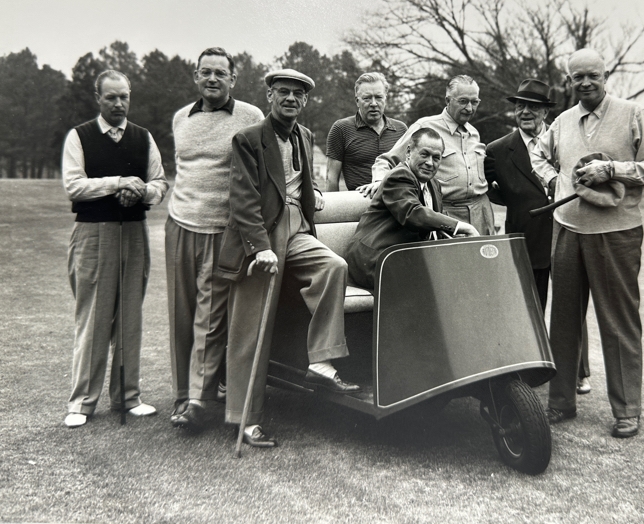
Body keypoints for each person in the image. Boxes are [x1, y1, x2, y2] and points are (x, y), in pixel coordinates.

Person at [216, 68, 360, 449]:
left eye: (298, 94)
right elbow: (243, 201)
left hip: (297, 230)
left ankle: (320, 361)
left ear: (306, 100)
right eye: (283, 92)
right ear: (270, 96)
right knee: (252, 328)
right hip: (261, 236)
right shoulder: (248, 140)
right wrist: (259, 246)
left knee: (334, 266)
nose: (291, 99)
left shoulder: (305, 135)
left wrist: (314, 199)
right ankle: (245, 420)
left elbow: (296, 183)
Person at [532, 48, 644, 438]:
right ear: (569, 81)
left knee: (618, 322)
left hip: (616, 232)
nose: (586, 82)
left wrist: (612, 169)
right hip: (567, 228)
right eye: (578, 77)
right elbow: (539, 158)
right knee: (563, 320)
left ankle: (627, 410)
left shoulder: (633, 113)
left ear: (605, 75)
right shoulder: (561, 121)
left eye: (593, 75)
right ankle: (560, 402)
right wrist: (556, 181)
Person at [61, 70, 168, 427]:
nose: (119, 103)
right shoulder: (80, 136)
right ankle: (82, 402)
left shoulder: (143, 137)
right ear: (98, 98)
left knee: (130, 317)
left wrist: (139, 192)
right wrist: (118, 183)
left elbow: (159, 183)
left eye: (124, 97)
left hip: (134, 231)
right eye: (111, 97)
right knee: (93, 318)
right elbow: (75, 186)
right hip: (93, 233)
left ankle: (128, 395)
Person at [166, 47, 264, 433]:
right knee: (181, 313)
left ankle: (198, 401)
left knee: (210, 319)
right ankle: (180, 394)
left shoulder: (250, 116)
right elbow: (184, 169)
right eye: (205, 72)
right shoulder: (180, 118)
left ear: (233, 79)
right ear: (195, 76)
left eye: (220, 73)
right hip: (179, 224)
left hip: (222, 231)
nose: (212, 79)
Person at [484, 79, 592, 395]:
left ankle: (578, 371)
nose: (526, 112)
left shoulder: (568, 142)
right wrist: (525, 204)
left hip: (570, 232)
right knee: (531, 305)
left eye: (533, 106)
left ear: (546, 110)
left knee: (572, 305)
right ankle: (532, 368)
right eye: (520, 106)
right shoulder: (498, 150)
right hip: (526, 236)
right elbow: (493, 192)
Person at [347, 128, 480, 289]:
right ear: (409, 152)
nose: (430, 163)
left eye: (436, 158)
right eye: (424, 154)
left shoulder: (434, 184)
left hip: (408, 257)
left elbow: (434, 229)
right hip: (377, 259)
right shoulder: (399, 176)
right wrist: (460, 226)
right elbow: (413, 213)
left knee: (467, 275)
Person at [368, 75, 495, 235]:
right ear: (448, 100)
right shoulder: (425, 127)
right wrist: (380, 181)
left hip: (481, 213)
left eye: (474, 102)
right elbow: (386, 160)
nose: (469, 108)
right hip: (447, 214)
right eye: (463, 101)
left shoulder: (473, 133)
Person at [325, 72, 407, 192]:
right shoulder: (341, 129)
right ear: (357, 100)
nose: (373, 103)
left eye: (378, 97)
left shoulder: (401, 129)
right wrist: (332, 209)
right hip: (358, 204)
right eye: (367, 98)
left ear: (386, 98)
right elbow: (331, 178)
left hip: (396, 203)